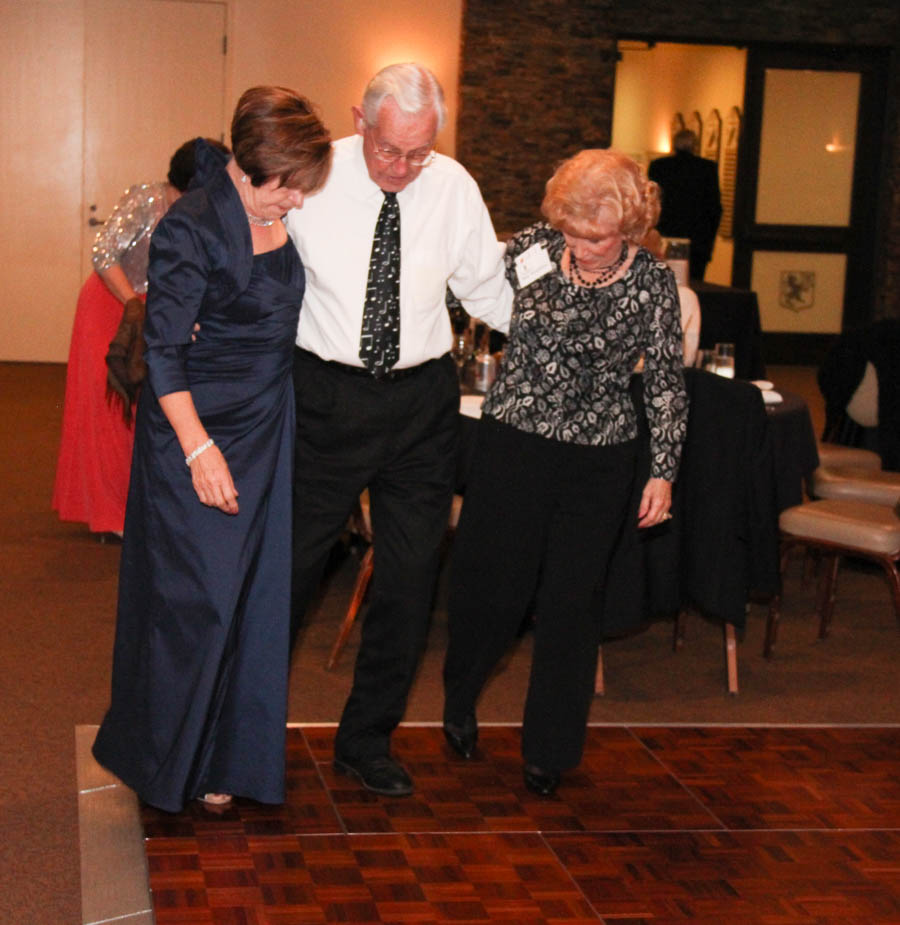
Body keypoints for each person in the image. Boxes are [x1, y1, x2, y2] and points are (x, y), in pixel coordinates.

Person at [92, 88, 332, 812]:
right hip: (195, 433)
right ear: (248, 166)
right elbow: (162, 354)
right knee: (194, 603)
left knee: (254, 599)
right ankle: (171, 757)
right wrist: (199, 452)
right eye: (285, 186)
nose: (293, 201)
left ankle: (230, 754)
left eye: (300, 188)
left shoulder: (281, 211)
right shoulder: (191, 227)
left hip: (267, 427)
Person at [285, 62, 512, 798]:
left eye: (419, 153)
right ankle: (243, 724)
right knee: (288, 572)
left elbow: (486, 286)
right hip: (325, 394)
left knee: (411, 578)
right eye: (390, 151)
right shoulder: (313, 177)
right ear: (360, 120)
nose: (404, 168)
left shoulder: (452, 185)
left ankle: (366, 739)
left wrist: (561, 327)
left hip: (420, 402)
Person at [442, 149, 688, 796]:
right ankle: (459, 698)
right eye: (574, 231)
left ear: (631, 226)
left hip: (600, 458)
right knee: (496, 587)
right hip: (515, 445)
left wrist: (663, 469)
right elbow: (469, 297)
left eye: (598, 235)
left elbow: (665, 381)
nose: (583, 246)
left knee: (571, 605)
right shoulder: (535, 249)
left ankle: (547, 752)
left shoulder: (653, 284)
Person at [52, 139, 210, 537]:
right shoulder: (146, 199)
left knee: (148, 413)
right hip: (112, 305)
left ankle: (142, 508)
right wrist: (133, 304)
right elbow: (103, 254)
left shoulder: (203, 212)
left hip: (154, 310)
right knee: (110, 410)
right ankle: (110, 517)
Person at [648, 129, 722, 281]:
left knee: (661, 280)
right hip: (698, 240)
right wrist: (709, 241)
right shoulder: (707, 168)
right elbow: (714, 208)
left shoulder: (659, 167)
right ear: (695, 145)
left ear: (674, 145)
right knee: (694, 281)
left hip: (665, 234)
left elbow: (651, 202)